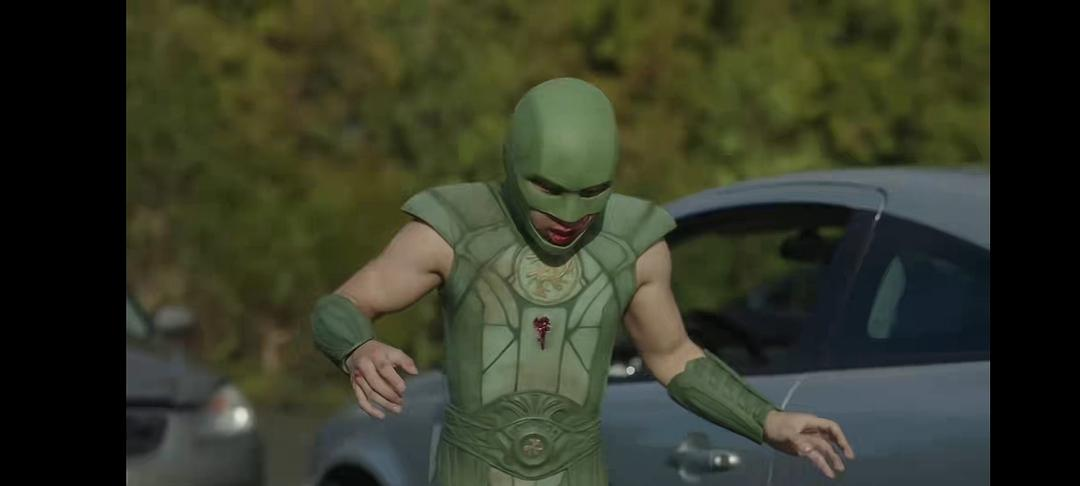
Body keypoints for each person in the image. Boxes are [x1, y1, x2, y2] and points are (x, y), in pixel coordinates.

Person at [312, 77, 855, 485]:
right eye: (548, 190)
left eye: (591, 193)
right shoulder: (454, 230)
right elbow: (342, 305)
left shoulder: (633, 245)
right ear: (511, 164)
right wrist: (358, 348)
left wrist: (768, 420)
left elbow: (673, 356)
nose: (569, 214)